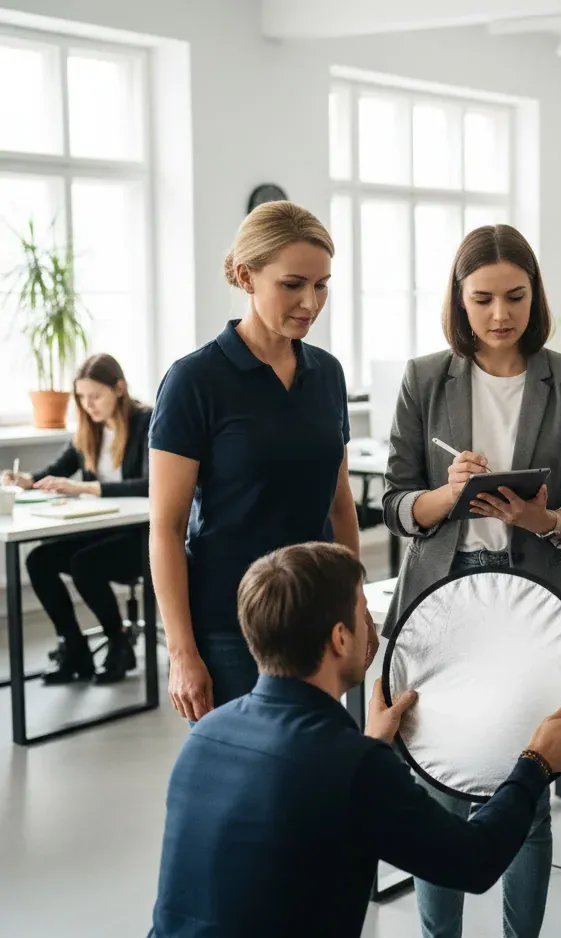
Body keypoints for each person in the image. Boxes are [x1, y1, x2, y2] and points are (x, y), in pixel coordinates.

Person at [123, 541, 561, 938]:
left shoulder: (208, 734)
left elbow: (314, 794)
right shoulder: (351, 765)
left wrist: (374, 741)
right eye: (363, 615)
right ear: (339, 639)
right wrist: (535, 763)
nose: (373, 628)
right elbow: (475, 862)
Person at [381, 224, 561, 938]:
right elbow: (396, 503)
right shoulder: (423, 379)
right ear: (459, 298)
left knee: (529, 791)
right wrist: (446, 496)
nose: (500, 314)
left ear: (535, 296)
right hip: (442, 606)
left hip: (534, 605)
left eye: (515, 297)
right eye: (482, 299)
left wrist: (551, 520)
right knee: (439, 792)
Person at [147, 200, 375, 722]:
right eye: (293, 284)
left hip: (318, 621)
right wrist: (182, 653)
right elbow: (166, 528)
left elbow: (340, 503)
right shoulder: (194, 381)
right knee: (247, 790)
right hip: (230, 629)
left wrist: (355, 605)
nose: (310, 302)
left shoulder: (328, 374)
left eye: (321, 285)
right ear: (247, 277)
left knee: (315, 779)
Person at [2, 354, 150, 684]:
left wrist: (86, 487)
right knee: (39, 559)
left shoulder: (146, 422)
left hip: (139, 537)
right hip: (102, 531)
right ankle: (75, 647)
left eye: (95, 396)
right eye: (81, 398)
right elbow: (55, 472)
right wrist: (26, 480)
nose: (88, 405)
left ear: (120, 389)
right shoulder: (90, 430)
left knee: (85, 564)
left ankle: (118, 640)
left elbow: (150, 483)